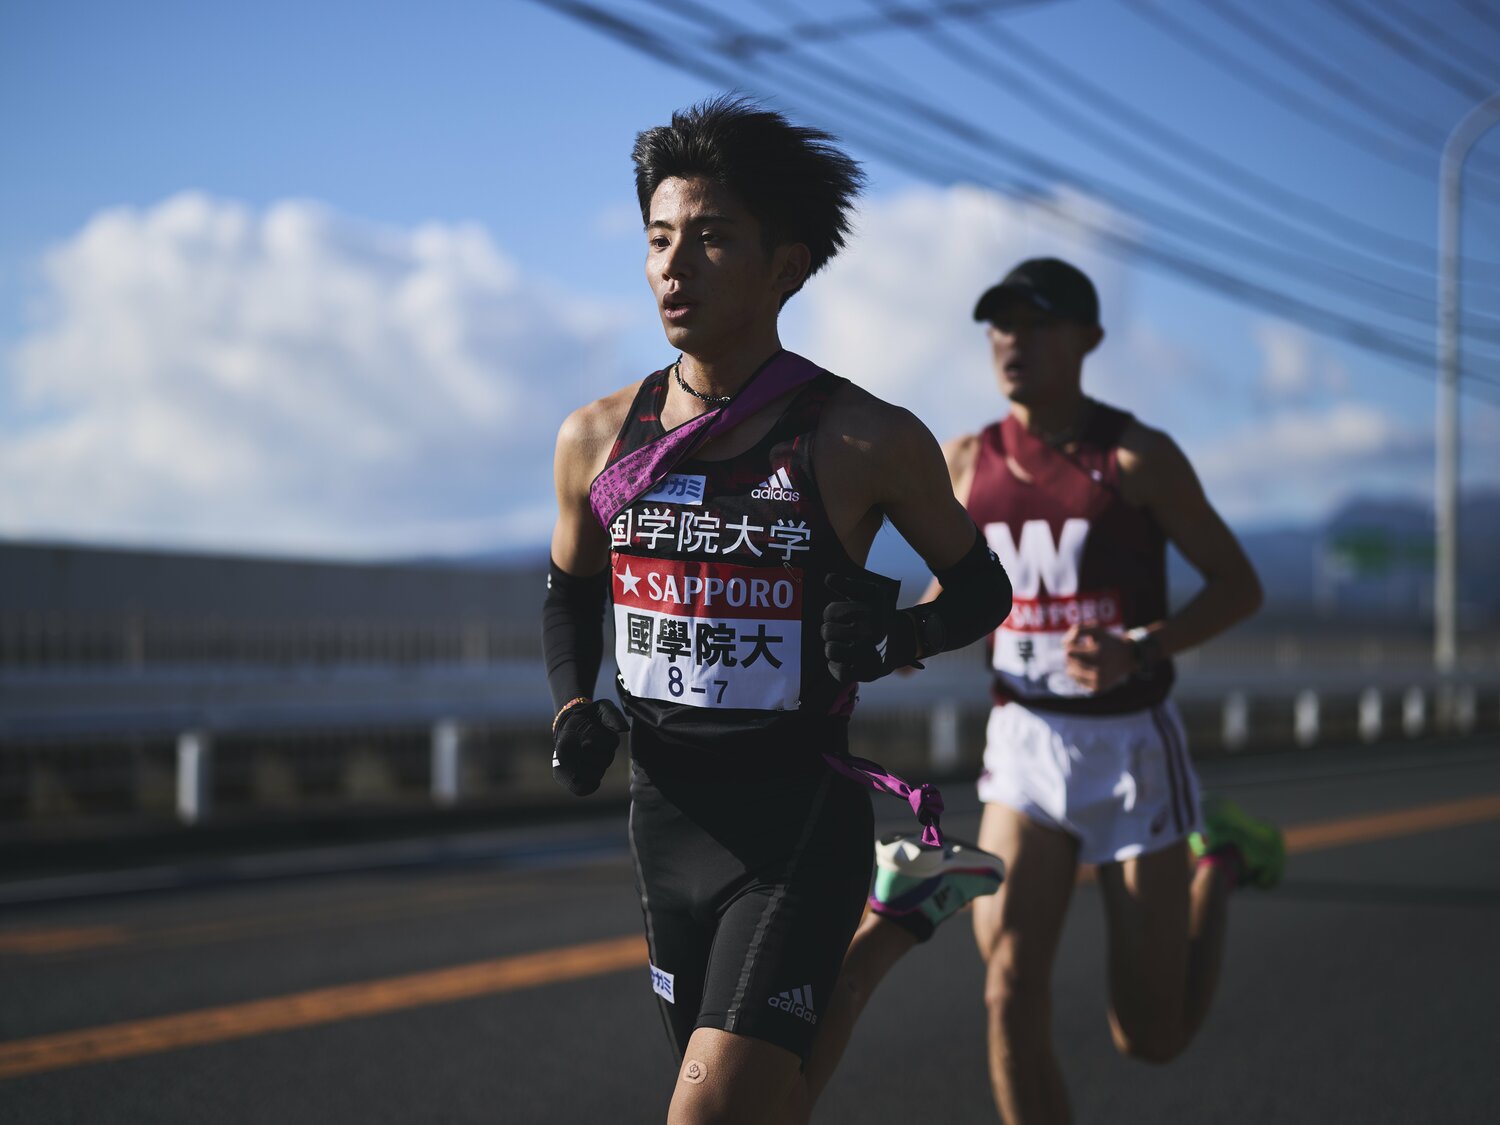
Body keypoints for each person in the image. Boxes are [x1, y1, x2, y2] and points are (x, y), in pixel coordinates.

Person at [542, 96, 1013, 1125]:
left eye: (711, 240)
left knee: (707, 1112)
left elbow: (984, 588)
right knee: (769, 1097)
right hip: (663, 818)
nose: (675, 267)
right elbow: (570, 587)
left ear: (785, 268)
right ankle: (901, 919)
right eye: (660, 239)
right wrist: (573, 709)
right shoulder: (593, 439)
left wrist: (903, 635)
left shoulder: (861, 439)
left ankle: (881, 904)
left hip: (796, 821)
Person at [939, 258, 1285, 1124]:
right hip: (1024, 745)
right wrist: (914, 633)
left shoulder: (1136, 457)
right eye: (1000, 322)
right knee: (1007, 989)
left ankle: (1222, 863)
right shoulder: (964, 460)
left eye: (1036, 322)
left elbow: (1238, 584)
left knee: (1150, 1035)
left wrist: (1144, 647)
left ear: (1090, 338)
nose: (1012, 340)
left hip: (1130, 749)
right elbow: (952, 589)